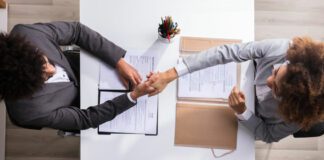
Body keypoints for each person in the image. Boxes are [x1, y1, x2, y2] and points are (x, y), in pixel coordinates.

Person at [147, 37, 324, 143]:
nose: (268, 80)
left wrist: (243, 112)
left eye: (276, 88)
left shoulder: (296, 118)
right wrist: (169, 75)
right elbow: (228, 52)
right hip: (238, 73)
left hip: (239, 122)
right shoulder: (282, 49)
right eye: (276, 71)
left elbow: (268, 135)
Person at [0, 21, 156, 131]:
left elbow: (77, 31)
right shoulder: (28, 112)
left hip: (84, 65)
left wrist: (118, 61)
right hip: (80, 105)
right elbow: (84, 119)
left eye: (44, 62)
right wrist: (133, 96)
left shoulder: (28, 34)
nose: (52, 71)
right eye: (44, 78)